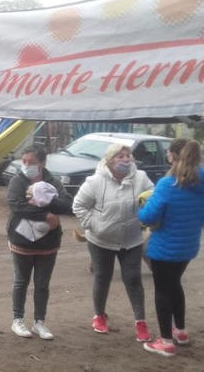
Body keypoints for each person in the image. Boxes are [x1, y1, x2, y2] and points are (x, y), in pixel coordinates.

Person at [72, 143, 155, 341]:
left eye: (128, 156)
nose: (126, 159)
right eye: (121, 156)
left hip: (132, 239)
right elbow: (79, 205)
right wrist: (93, 225)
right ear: (110, 160)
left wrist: (146, 216)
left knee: (133, 279)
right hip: (100, 240)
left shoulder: (141, 178)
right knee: (102, 278)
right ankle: (99, 316)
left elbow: (153, 198)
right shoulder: (94, 181)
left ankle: (140, 323)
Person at [139, 140, 204, 356]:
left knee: (163, 291)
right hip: (188, 245)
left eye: (168, 152)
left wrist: (141, 208)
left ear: (174, 155)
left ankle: (165, 340)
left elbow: (149, 216)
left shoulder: (168, 184)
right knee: (175, 285)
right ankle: (181, 331)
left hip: (164, 247)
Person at [6, 145, 72, 340]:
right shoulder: (17, 181)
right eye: (24, 161)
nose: (26, 165)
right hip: (22, 239)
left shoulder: (54, 182)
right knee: (21, 281)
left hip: (48, 242)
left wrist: (45, 200)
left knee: (42, 283)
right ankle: (17, 319)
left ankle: (39, 322)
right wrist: (46, 214)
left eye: (31, 162)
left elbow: (67, 204)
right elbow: (16, 206)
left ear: (42, 163)